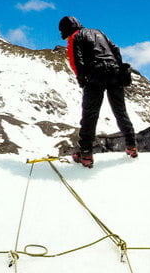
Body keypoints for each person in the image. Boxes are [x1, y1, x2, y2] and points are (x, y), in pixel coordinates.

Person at [59, 16, 138, 168]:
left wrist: (81, 79)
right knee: (120, 111)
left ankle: (85, 154)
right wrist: (119, 67)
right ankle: (132, 147)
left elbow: (76, 60)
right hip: (114, 73)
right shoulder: (98, 32)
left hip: (95, 76)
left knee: (90, 115)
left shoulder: (75, 37)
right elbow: (115, 49)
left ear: (66, 30)